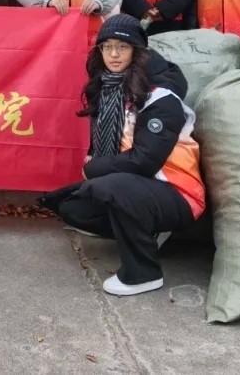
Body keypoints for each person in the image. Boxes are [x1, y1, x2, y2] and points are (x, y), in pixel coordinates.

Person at [39, 15, 204, 297]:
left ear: (137, 52)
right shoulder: (109, 88)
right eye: (107, 47)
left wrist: (95, 169)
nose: (113, 54)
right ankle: (144, 231)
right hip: (137, 187)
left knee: (108, 186)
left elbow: (145, 161)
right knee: (71, 206)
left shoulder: (161, 99)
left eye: (122, 47)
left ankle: (143, 273)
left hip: (177, 193)